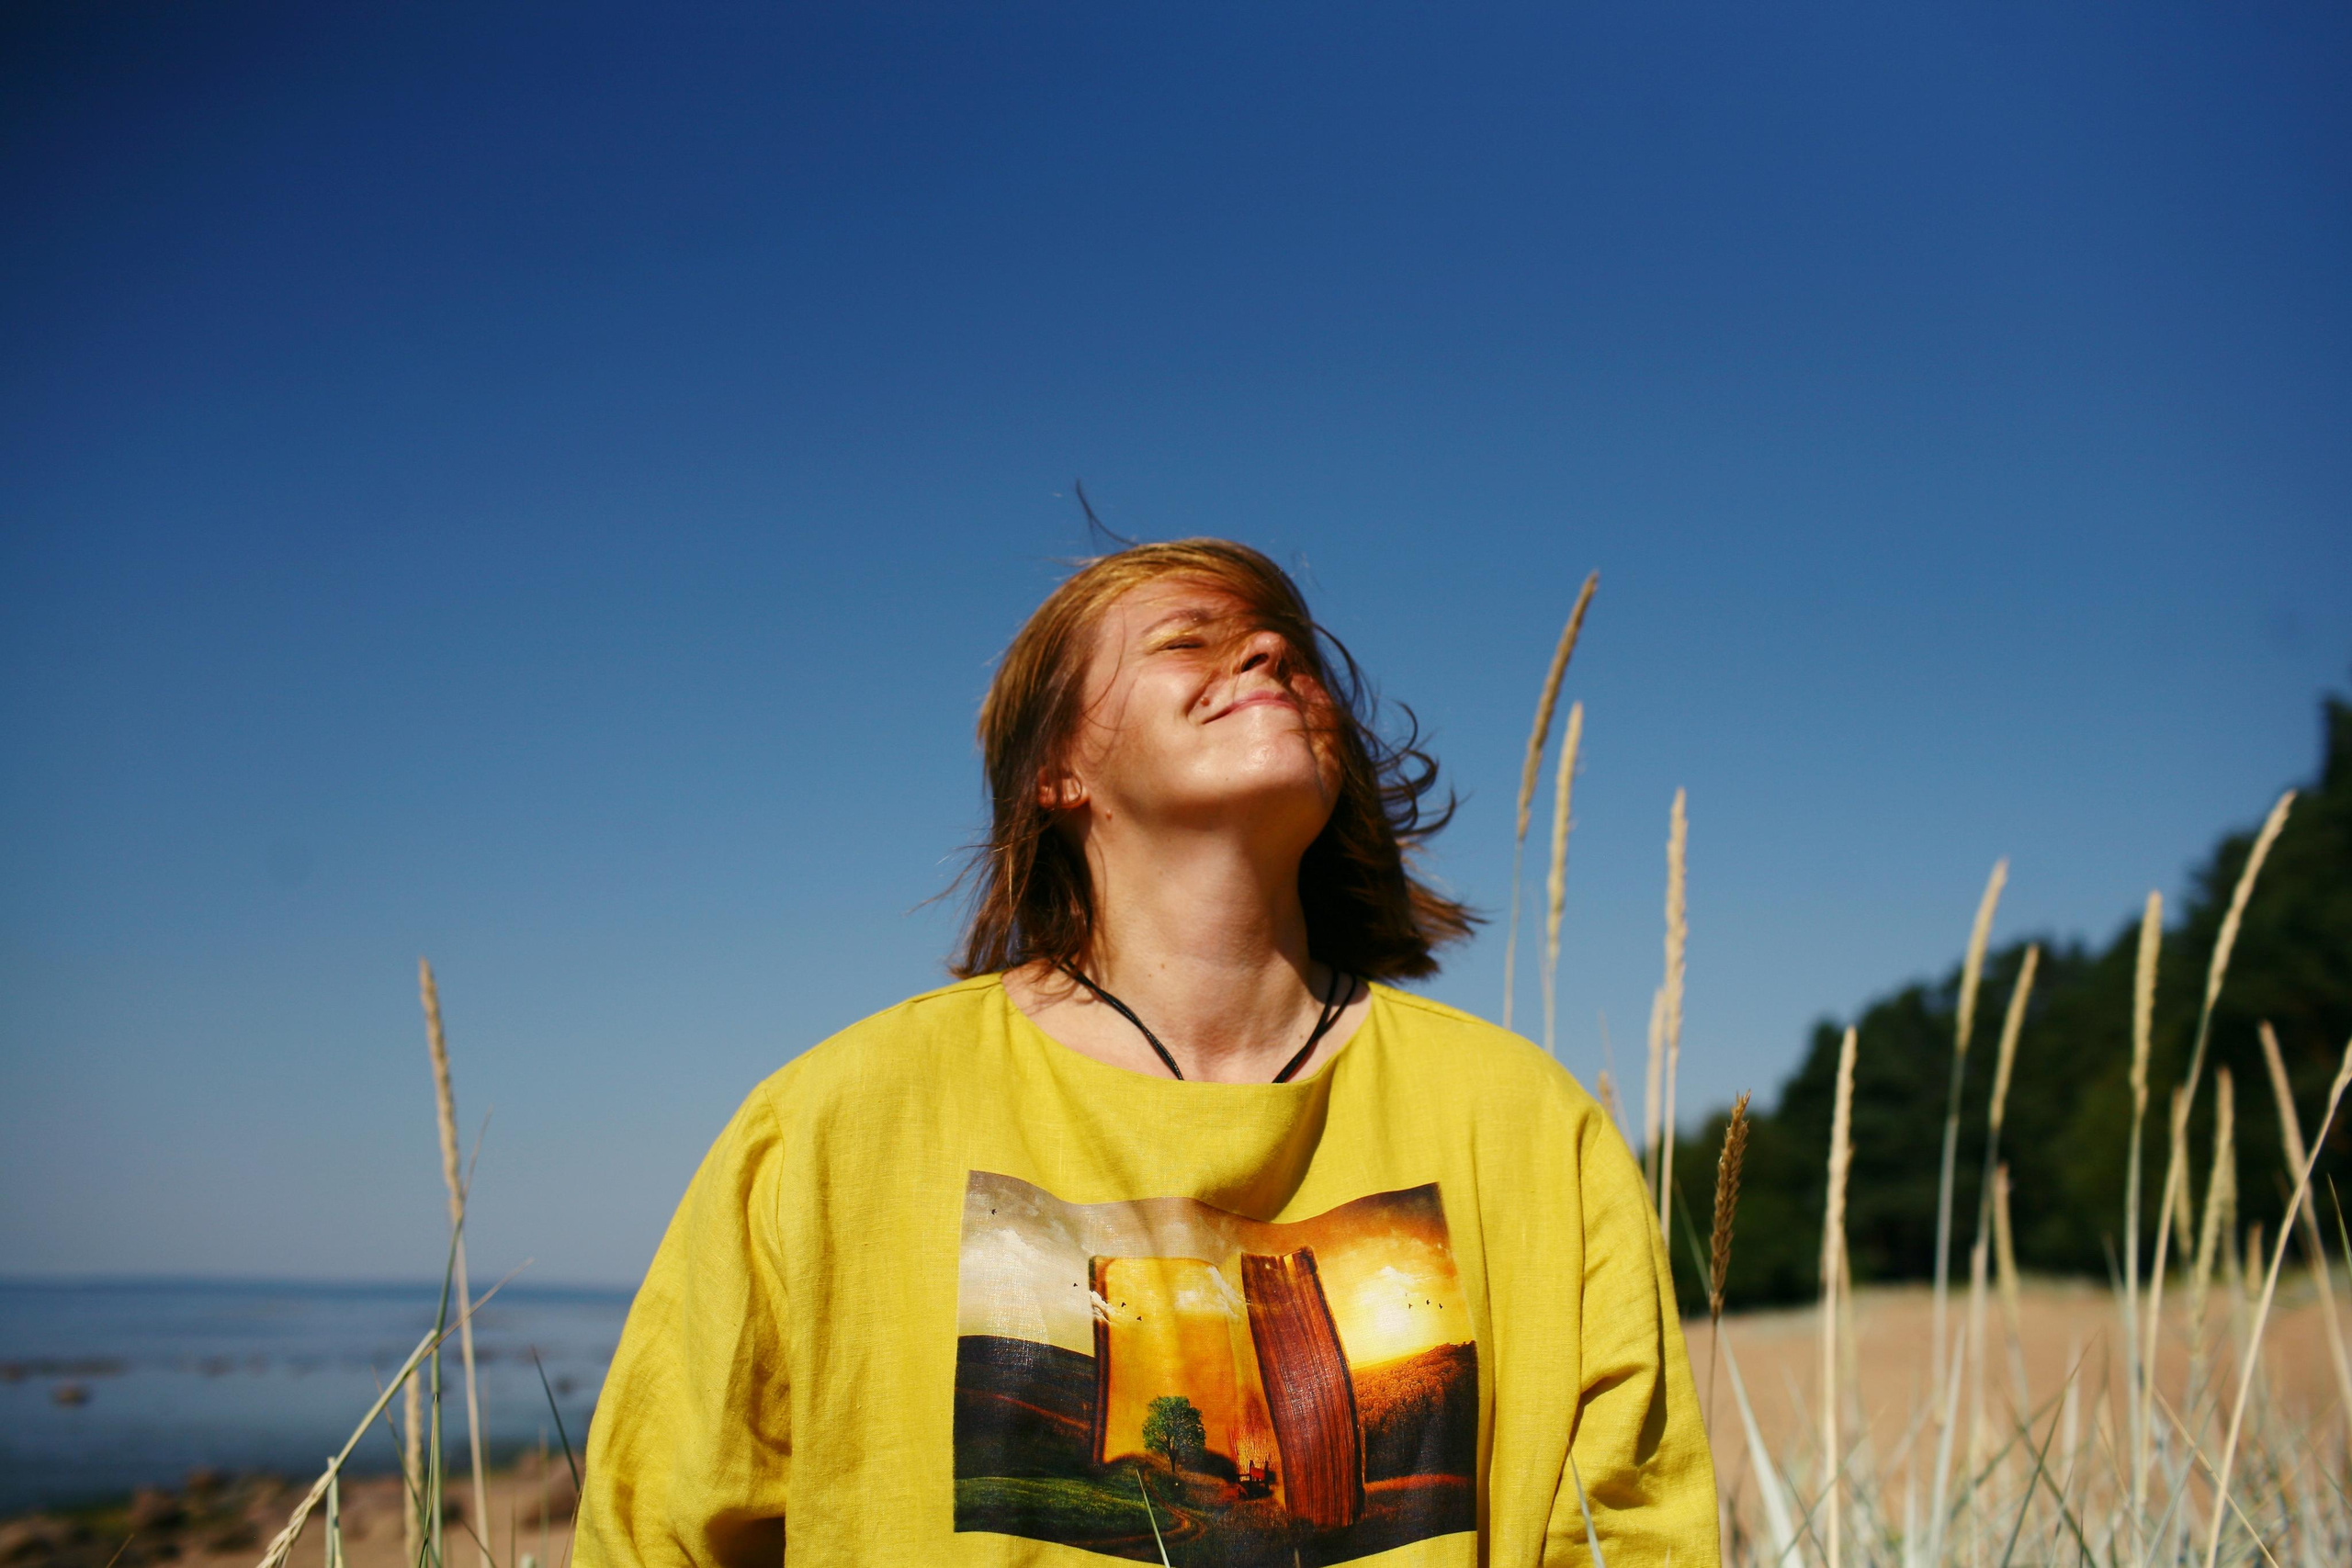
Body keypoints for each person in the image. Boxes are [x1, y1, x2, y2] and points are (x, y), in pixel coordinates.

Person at [576, 539, 1718, 1567]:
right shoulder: (838, 1122)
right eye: (1189, 641)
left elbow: (1631, 1531)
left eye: (1288, 651)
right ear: (1057, 770)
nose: (1269, 652)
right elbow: (659, 1530)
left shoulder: (1524, 1124)